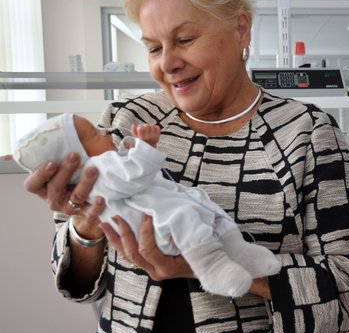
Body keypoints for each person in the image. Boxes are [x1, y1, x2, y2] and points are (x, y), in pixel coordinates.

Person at [20, 0, 349, 333]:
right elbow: (75, 275)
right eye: (153, 47)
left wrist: (212, 267)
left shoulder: (304, 134)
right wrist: (84, 227)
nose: (166, 62)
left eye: (185, 39)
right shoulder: (125, 122)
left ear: (240, 27)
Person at [13, 113, 281, 297]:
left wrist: (134, 146)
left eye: (186, 39)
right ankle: (211, 266)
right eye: (95, 132)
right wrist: (147, 146)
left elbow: (127, 166)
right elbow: (135, 172)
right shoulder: (99, 168)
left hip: (166, 214)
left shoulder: (105, 164)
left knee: (205, 209)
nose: (106, 130)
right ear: (79, 157)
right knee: (188, 215)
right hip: (163, 227)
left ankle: (238, 252)